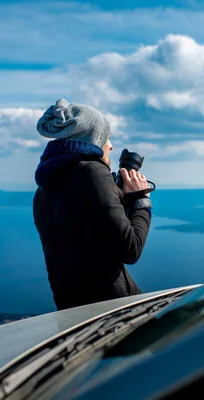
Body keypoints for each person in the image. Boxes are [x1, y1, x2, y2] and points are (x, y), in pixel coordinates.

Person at [32, 98, 152, 310]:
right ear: (93, 140)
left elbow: (90, 242)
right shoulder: (93, 172)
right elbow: (130, 249)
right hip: (116, 313)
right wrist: (140, 199)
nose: (111, 146)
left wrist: (119, 197)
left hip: (73, 316)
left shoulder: (43, 191)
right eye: (107, 138)